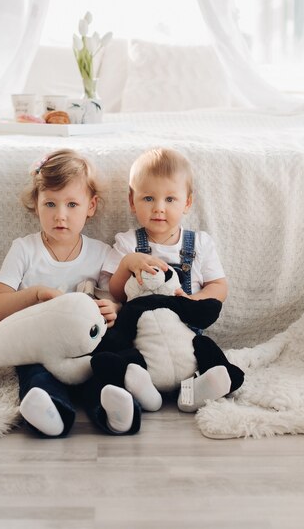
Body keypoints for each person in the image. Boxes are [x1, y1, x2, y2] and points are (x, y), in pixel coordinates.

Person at [0, 148, 154, 437]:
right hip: (38, 348)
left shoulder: (101, 253)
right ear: (36, 205)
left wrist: (113, 309)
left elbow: (115, 298)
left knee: (101, 370)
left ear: (91, 206)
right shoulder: (25, 250)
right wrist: (35, 294)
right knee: (36, 374)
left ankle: (114, 410)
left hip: (84, 351)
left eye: (72, 204)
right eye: (50, 203)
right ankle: (50, 411)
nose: (60, 215)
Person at [102, 147, 239, 412]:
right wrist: (127, 264)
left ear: (187, 202)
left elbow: (219, 285)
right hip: (145, 343)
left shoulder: (199, 243)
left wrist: (194, 300)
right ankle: (145, 391)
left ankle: (195, 392)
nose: (159, 209)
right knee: (129, 360)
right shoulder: (128, 242)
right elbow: (115, 292)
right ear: (132, 200)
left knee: (205, 352)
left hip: (185, 343)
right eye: (148, 198)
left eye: (170, 199)